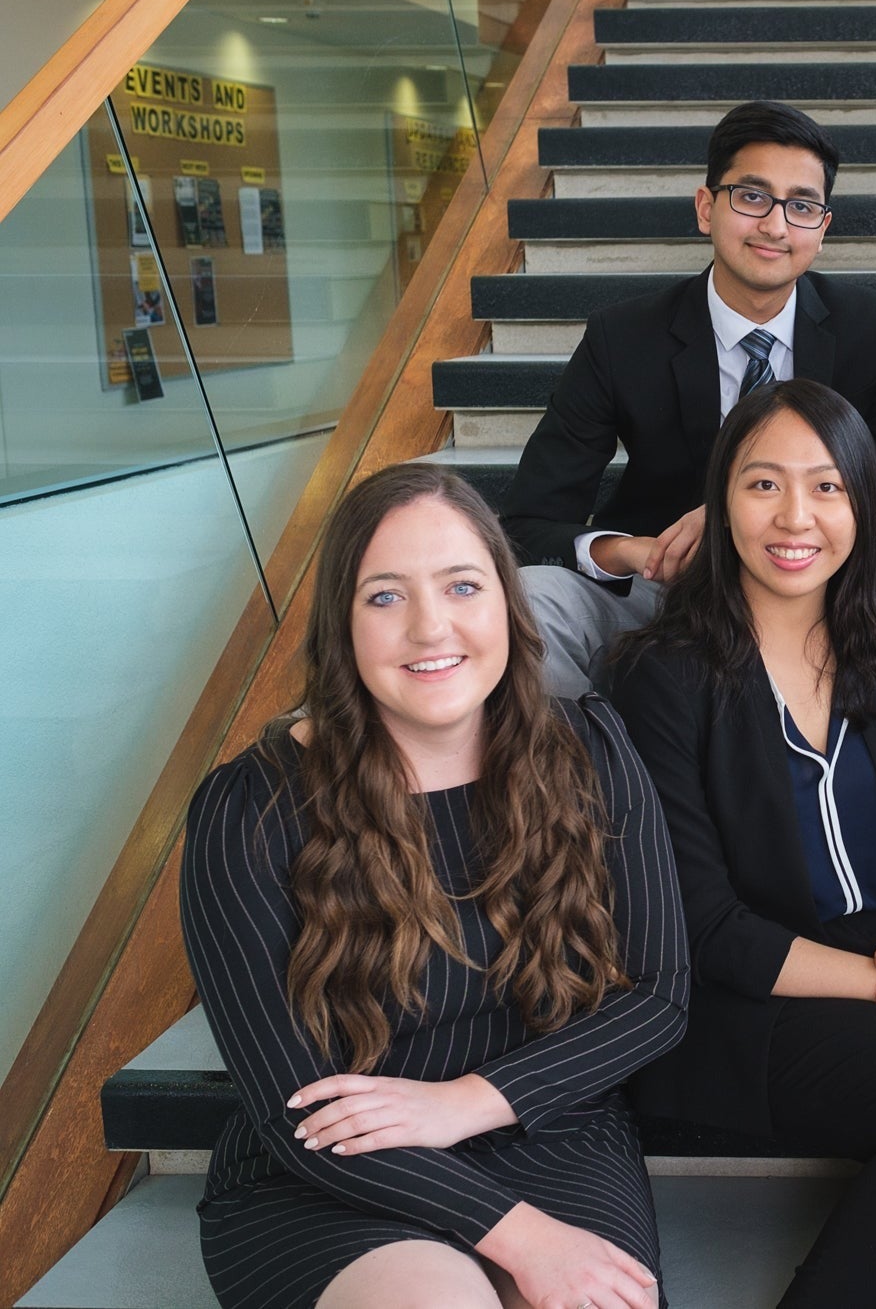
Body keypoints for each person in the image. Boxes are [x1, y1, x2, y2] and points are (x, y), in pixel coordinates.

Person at [180, 464, 690, 1309]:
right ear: (341, 624)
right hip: (334, 1164)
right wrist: (518, 1233)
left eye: (462, 584)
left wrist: (464, 1103)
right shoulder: (250, 808)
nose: (430, 627)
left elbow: (659, 997)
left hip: (547, 1127)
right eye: (385, 597)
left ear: (506, 601)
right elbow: (291, 1104)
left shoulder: (589, 748)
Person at [611, 379, 876, 1307]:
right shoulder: (662, 679)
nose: (794, 516)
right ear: (721, 502)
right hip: (733, 1004)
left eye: (825, 487)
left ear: (858, 502)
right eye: (763, 484)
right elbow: (701, 923)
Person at [503, 99, 876, 698]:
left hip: (815, 585)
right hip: (669, 589)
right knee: (529, 600)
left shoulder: (871, 325)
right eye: (752, 196)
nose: (775, 225)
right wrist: (634, 552)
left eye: (802, 206)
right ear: (706, 207)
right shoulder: (623, 336)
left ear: (823, 228)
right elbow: (528, 522)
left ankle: (829, 724)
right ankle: (615, 775)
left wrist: (759, 516)